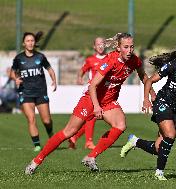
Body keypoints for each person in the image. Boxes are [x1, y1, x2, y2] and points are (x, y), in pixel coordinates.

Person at [25, 32, 156, 175]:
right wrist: (96, 106)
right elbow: (92, 85)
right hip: (90, 100)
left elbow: (144, 77)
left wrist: (149, 96)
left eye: (131, 47)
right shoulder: (110, 60)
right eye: (126, 47)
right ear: (118, 47)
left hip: (109, 102)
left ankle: (91, 157)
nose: (130, 50)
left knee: (120, 125)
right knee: (69, 132)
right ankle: (36, 161)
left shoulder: (134, 61)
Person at [120, 38, 176, 180]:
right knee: (170, 134)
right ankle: (159, 172)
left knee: (158, 148)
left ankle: (134, 141)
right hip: (163, 102)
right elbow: (149, 80)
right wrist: (146, 99)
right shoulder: (174, 65)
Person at [10, 31, 57, 152]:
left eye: (32, 41)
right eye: (28, 41)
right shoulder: (18, 58)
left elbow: (50, 69)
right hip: (25, 93)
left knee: (46, 120)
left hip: (40, 92)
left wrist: (54, 80)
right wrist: (16, 79)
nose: (30, 43)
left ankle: (50, 133)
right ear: (23, 44)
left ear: (35, 42)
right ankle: (37, 145)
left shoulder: (40, 57)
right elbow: (12, 73)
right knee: (31, 118)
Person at [68, 37, 107, 150]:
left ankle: (74, 138)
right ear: (94, 47)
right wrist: (79, 77)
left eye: (102, 44)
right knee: (93, 116)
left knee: (91, 116)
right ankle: (89, 142)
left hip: (104, 92)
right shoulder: (90, 60)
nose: (100, 46)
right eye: (98, 44)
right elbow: (82, 70)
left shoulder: (109, 58)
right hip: (92, 91)